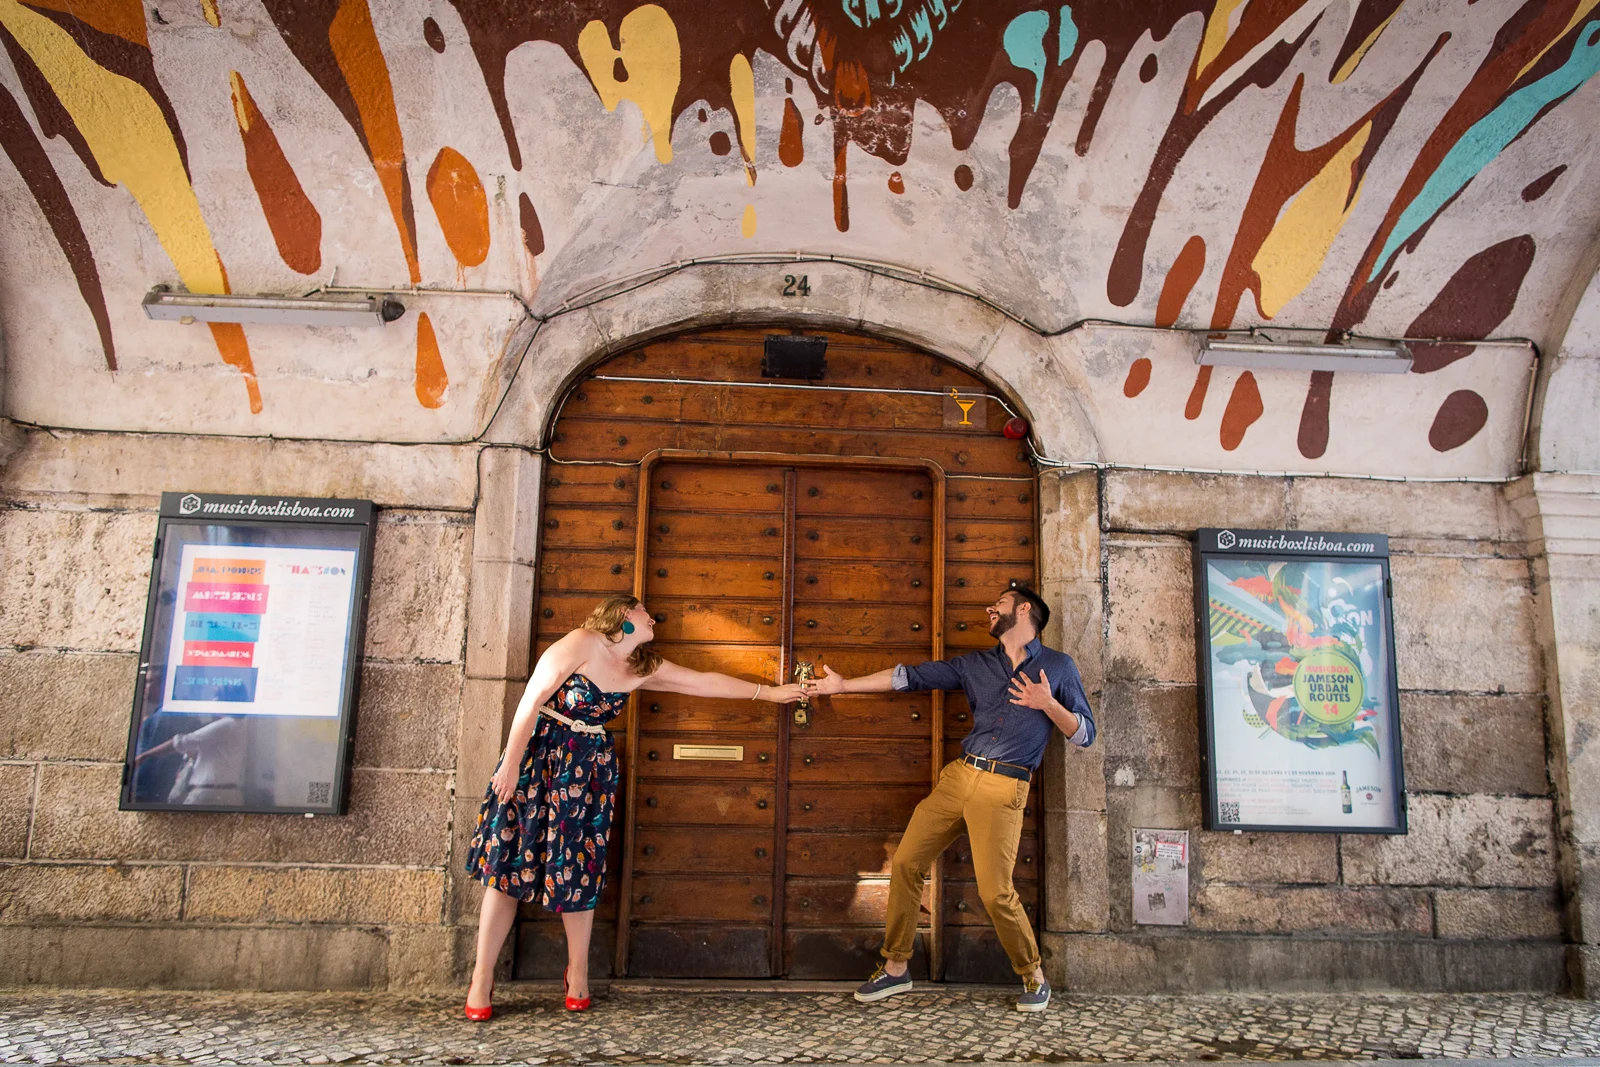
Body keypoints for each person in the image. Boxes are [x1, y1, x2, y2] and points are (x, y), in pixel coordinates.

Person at [462, 594, 807, 1019]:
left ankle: (578, 972)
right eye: (645, 613)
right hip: (539, 762)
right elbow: (532, 700)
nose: (653, 618)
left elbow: (702, 682)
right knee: (507, 868)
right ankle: (482, 977)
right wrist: (510, 764)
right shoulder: (582, 642)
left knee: (580, 868)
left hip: (588, 773)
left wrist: (769, 695)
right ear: (624, 615)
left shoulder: (640, 667)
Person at [806, 583, 1095, 1013]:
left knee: (996, 892)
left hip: (1005, 785)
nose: (989, 609)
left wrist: (1047, 703)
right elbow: (910, 676)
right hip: (960, 777)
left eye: (998, 604)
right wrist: (844, 686)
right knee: (905, 862)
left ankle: (1033, 975)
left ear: (1025, 610)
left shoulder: (1058, 666)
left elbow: (1086, 734)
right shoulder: (976, 664)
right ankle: (897, 968)